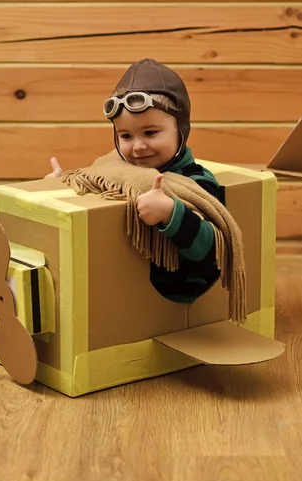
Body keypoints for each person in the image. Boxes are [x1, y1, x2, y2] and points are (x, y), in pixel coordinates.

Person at [46, 58, 226, 304]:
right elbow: (94, 196)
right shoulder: (119, 173)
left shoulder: (197, 181)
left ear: (181, 130)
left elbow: (212, 249)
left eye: (150, 133)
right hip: (124, 294)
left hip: (175, 297)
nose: (139, 146)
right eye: (126, 136)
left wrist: (172, 213)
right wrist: (61, 186)